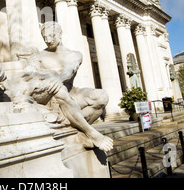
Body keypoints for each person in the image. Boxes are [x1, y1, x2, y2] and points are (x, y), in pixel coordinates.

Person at [6, 21, 113, 152]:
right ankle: (90, 132)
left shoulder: (74, 54)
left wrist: (59, 78)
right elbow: (30, 71)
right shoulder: (39, 55)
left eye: (52, 35)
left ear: (60, 34)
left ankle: (76, 128)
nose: (48, 40)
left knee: (101, 97)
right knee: (57, 88)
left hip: (70, 91)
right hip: (49, 94)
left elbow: (70, 70)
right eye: (44, 37)